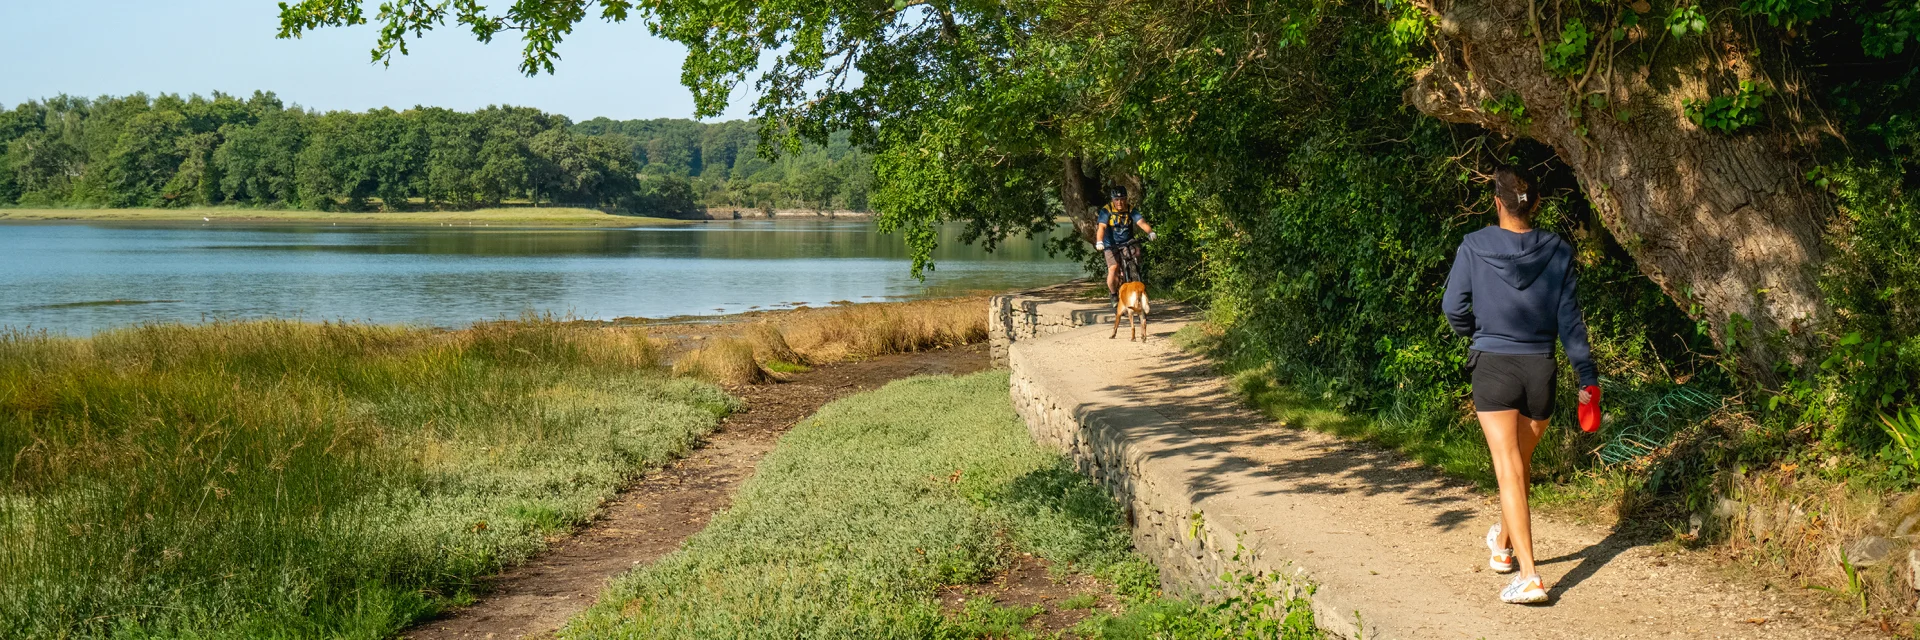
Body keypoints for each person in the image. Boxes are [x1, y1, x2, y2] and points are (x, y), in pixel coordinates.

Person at [1441, 166, 1598, 605]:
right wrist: (1587, 376)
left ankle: (1529, 577)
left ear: (1496, 202)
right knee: (1518, 466)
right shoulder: (1558, 250)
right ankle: (1503, 547)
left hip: (1494, 366)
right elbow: (1570, 322)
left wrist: (1479, 333)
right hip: (1540, 371)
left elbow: (1453, 306)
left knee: (1509, 468)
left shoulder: (1474, 245)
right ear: (1537, 204)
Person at [1093, 188, 1155, 303]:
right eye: (1116, 199)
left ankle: (1135, 279)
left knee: (1135, 256)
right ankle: (1113, 295)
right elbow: (1101, 227)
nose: (1120, 202)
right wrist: (1099, 241)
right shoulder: (1106, 210)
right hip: (1110, 245)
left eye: (1122, 199)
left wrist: (1150, 232)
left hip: (1127, 242)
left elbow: (1141, 222)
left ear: (1126, 199)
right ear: (1112, 200)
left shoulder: (1130, 209)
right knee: (1113, 268)